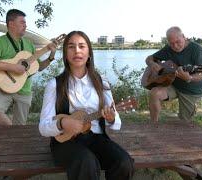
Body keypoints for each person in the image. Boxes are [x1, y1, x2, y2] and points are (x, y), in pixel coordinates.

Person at [39, 31, 134, 180]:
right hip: (65, 142)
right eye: (71, 47)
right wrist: (62, 122)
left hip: (96, 138)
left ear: (89, 53)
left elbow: (116, 122)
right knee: (86, 162)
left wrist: (111, 118)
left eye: (82, 46)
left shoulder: (101, 82)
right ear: (65, 54)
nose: (77, 50)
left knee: (124, 162)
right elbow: (43, 127)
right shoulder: (54, 85)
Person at [0, 9, 57, 126]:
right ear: (11, 24)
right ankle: (12, 132)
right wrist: (13, 67)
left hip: (24, 90)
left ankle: (13, 137)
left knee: (20, 126)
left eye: (25, 23)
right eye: (22, 22)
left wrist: (51, 56)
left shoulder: (29, 44)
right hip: (3, 86)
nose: (25, 25)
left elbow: (39, 67)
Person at [145, 26, 202, 123]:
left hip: (191, 90)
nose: (175, 46)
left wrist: (189, 77)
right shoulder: (168, 49)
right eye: (171, 43)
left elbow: (201, 75)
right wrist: (153, 64)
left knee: (185, 123)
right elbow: (149, 59)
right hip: (172, 85)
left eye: (178, 42)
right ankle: (153, 124)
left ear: (184, 37)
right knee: (154, 93)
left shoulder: (196, 50)